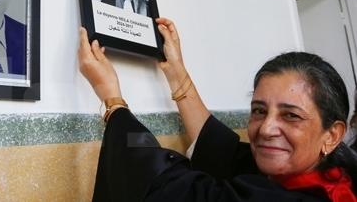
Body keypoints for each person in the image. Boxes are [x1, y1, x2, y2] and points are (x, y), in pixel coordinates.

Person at [78, 18, 357, 201]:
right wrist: (177, 73)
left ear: (332, 135)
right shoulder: (327, 174)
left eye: (291, 115)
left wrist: (113, 101)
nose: (267, 128)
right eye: (259, 111)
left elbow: (171, 188)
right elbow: (220, 150)